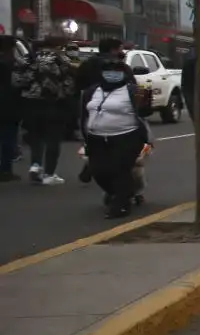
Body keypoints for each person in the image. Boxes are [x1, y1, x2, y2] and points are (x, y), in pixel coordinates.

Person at [79, 46, 151, 218]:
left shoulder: (132, 90)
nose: (113, 75)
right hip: (97, 138)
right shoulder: (92, 92)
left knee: (120, 170)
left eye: (118, 71)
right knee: (99, 171)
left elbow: (144, 112)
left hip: (126, 137)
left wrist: (144, 100)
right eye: (108, 71)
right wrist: (85, 135)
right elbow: (84, 114)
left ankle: (120, 205)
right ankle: (119, 193)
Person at [13, 33, 78, 184]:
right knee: (53, 138)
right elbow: (70, 81)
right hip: (54, 103)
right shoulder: (61, 59)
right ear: (59, 45)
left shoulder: (30, 57)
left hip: (31, 102)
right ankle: (49, 174)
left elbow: (17, 79)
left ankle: (36, 165)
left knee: (35, 136)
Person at [0, 32, 20, 181]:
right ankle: (5, 170)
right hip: (9, 105)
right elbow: (18, 84)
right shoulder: (12, 63)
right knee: (8, 138)